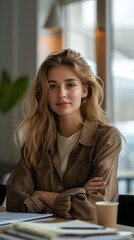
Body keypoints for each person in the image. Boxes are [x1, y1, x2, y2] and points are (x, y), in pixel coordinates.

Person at [6, 48, 122, 220]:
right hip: (41, 234)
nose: (61, 94)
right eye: (52, 86)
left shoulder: (107, 138)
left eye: (70, 85)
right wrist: (80, 192)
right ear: (45, 93)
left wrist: (42, 195)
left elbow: (95, 208)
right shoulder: (36, 139)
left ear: (85, 90)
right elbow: (15, 200)